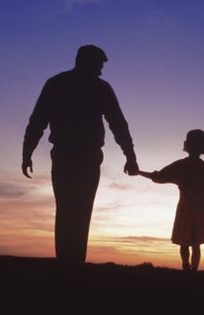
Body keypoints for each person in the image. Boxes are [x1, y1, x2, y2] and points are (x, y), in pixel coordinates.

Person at [22, 44, 139, 266]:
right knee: (79, 211)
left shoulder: (56, 83)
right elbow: (118, 124)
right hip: (81, 157)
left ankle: (68, 265)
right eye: (99, 65)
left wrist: (27, 152)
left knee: (66, 210)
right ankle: (72, 265)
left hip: (72, 157)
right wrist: (130, 156)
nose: (101, 71)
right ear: (88, 61)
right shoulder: (98, 87)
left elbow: (37, 121)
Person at [138, 129, 204, 271]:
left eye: (186, 140)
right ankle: (192, 270)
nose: (184, 142)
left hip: (186, 209)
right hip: (200, 209)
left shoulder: (182, 165)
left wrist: (138, 172)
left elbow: (158, 177)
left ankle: (186, 267)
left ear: (190, 144)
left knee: (185, 242)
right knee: (196, 244)